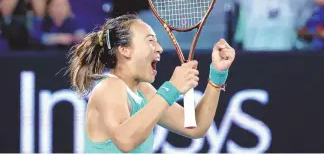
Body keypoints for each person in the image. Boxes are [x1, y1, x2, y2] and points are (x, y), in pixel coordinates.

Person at [67, 14, 235, 153]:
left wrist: (217, 76)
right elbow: (125, 140)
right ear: (125, 50)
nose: (159, 48)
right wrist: (173, 88)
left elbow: (196, 127)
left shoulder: (143, 90)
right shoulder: (109, 87)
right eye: (150, 41)